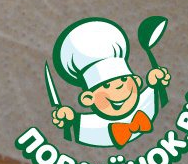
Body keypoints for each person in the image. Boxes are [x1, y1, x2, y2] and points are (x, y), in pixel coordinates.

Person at [51, 17, 170, 148]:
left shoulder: (147, 103)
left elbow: (157, 97)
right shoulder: (90, 127)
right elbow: (73, 130)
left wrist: (156, 83)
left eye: (124, 79)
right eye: (106, 85)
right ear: (88, 98)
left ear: (137, 81)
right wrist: (68, 120)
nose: (119, 87)